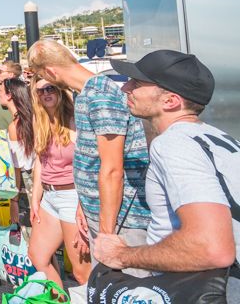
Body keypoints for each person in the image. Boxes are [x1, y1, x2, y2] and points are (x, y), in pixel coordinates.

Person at [94, 50, 240, 302]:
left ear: (170, 101)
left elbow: (212, 248)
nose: (126, 88)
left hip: (210, 291)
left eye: (137, 83)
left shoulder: (173, 144)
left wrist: (121, 255)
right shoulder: (223, 139)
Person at [27, 39, 150, 274]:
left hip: (121, 222)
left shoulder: (101, 96)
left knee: (126, 286)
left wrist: (105, 234)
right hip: (96, 211)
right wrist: (83, 206)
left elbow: (112, 169)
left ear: (51, 72)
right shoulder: (85, 95)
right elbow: (91, 158)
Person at [27, 77, 91, 286]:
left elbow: (90, 165)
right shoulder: (41, 119)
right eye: (40, 91)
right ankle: (60, 300)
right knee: (38, 256)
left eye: (50, 88)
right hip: (49, 196)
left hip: (73, 196)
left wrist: (83, 205)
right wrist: (35, 197)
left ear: (61, 90)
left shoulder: (73, 121)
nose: (46, 94)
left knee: (82, 273)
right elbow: (40, 160)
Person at [0, 78, 35, 230]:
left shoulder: (15, 126)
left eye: (0, 92)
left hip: (26, 187)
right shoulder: (31, 118)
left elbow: (17, 168)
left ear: (9, 96)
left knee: (29, 235)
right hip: (38, 184)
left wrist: (14, 202)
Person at [0, 61, 21, 131]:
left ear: (11, 75)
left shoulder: (18, 91)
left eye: (1, 71)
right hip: (0, 132)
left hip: (13, 131)